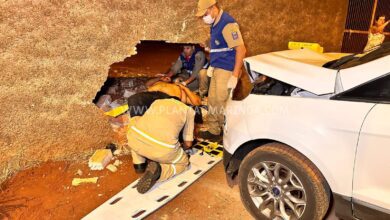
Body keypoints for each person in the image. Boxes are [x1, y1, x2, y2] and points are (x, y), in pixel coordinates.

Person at [126, 92, 202, 194]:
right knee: (183, 163)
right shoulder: (188, 110)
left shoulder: (157, 102)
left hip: (134, 140)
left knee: (136, 129)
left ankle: (139, 165)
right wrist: (182, 146)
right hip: (162, 150)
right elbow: (188, 144)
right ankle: (160, 171)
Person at [195, 0, 246, 142]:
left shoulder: (228, 24)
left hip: (227, 69)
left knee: (223, 102)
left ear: (213, 8)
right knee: (212, 100)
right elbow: (221, 48)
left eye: (205, 14)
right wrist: (213, 64)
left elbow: (241, 50)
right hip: (218, 68)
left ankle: (229, 135)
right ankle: (214, 130)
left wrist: (235, 75)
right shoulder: (214, 24)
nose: (204, 18)